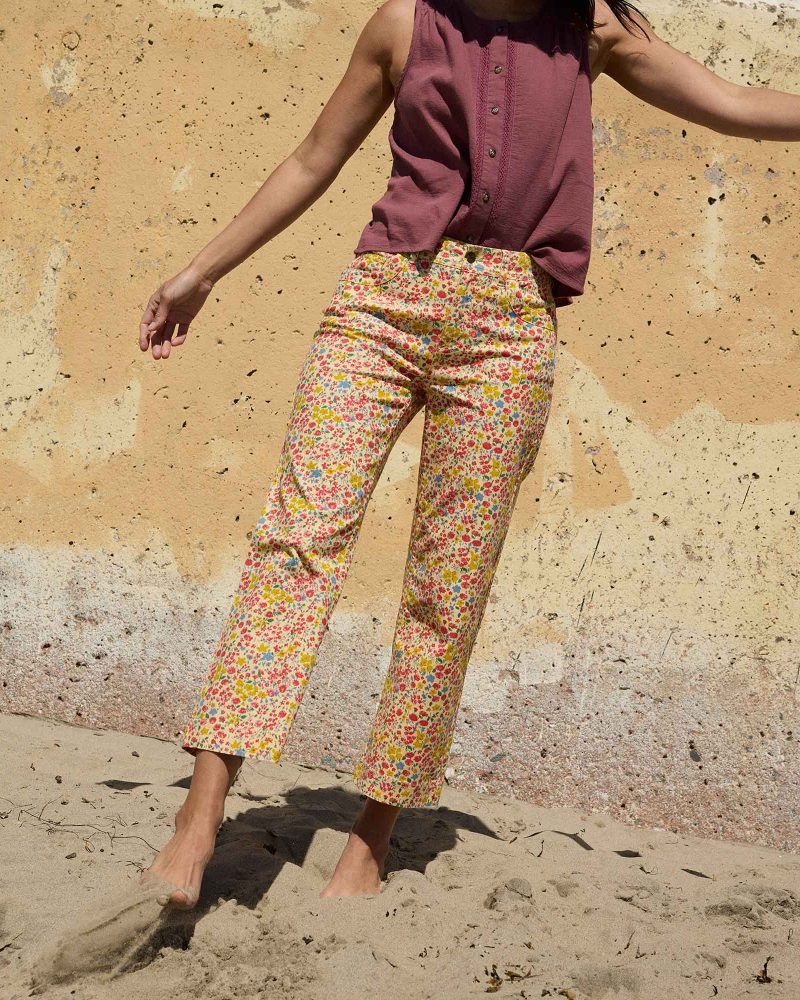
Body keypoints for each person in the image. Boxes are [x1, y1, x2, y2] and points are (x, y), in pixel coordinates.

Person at [137, 0, 800, 906]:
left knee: (447, 591)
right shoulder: (403, 24)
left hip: (509, 328)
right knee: (297, 541)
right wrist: (202, 271)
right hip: (381, 303)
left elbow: (733, 103)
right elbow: (313, 157)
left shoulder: (591, 30)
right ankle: (200, 812)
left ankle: (370, 840)